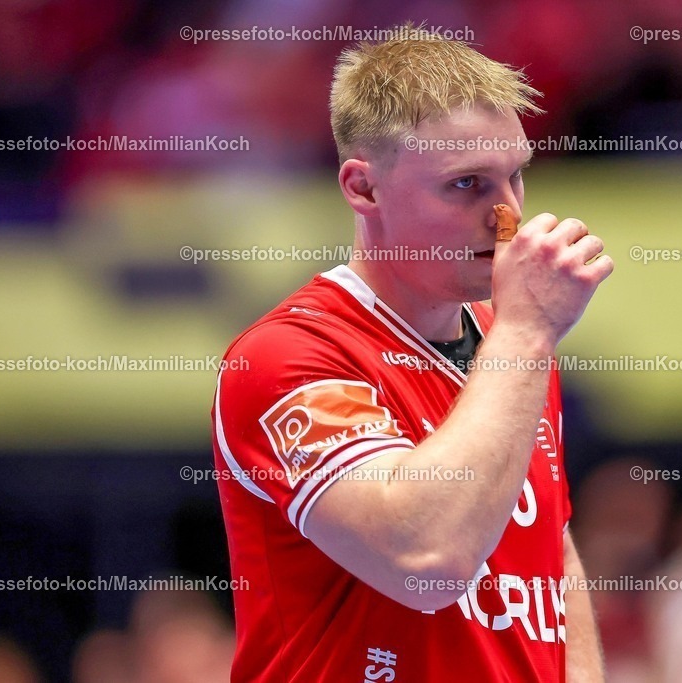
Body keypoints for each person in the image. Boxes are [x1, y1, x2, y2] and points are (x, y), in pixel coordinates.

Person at [212, 25, 613, 682]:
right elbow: (425, 559)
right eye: (466, 185)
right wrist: (527, 335)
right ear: (363, 188)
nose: (508, 215)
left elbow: (551, 557)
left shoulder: (507, 339)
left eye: (515, 177)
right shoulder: (286, 357)